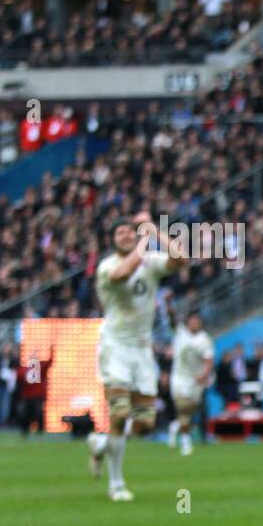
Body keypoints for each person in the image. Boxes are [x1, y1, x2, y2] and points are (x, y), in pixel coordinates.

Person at [87, 212, 187, 501]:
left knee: (144, 424)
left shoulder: (151, 261)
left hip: (143, 349)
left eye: (130, 232)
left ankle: (102, 443)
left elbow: (182, 260)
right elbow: (123, 275)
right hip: (115, 346)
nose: (127, 236)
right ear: (113, 241)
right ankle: (116, 484)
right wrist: (145, 241)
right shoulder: (108, 266)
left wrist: (155, 230)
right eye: (121, 234)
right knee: (118, 413)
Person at [167, 311, 214, 457]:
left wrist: (204, 374)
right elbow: (172, 319)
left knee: (190, 410)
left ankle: (176, 426)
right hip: (179, 377)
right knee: (182, 405)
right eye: (192, 320)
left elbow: (209, 359)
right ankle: (186, 441)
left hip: (196, 379)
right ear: (188, 322)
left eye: (197, 321)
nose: (194, 323)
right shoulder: (180, 333)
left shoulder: (204, 339)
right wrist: (169, 306)